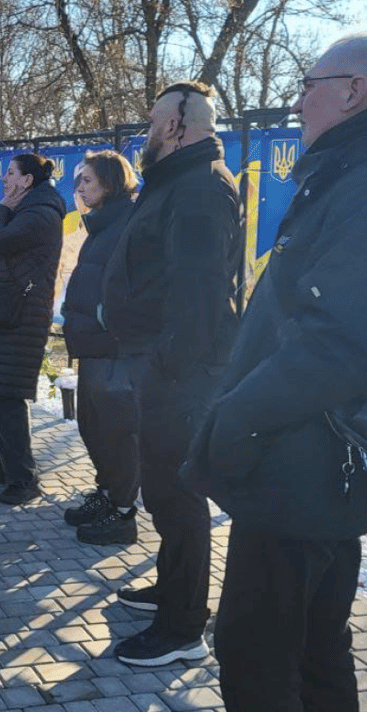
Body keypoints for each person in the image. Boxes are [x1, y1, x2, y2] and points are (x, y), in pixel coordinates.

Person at [186, 34, 367, 710]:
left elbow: (342, 342)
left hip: (300, 471)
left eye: (310, 82)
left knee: (257, 653)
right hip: (311, 472)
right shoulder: (356, 180)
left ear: (355, 91)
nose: (298, 99)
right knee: (316, 652)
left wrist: (236, 416)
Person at [98, 81, 242, 666]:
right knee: (162, 492)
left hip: (178, 377)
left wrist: (161, 368)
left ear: (180, 126)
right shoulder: (174, 181)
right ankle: (171, 590)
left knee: (177, 497)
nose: (145, 130)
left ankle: (182, 627)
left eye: (154, 120)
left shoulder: (201, 189)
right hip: (157, 368)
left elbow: (200, 298)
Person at [0, 153, 65, 506]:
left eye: (10, 174)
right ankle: (8, 465)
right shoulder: (30, 210)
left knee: (8, 395)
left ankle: (24, 479)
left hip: (19, 317)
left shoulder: (40, 214)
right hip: (9, 312)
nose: (5, 180)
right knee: (1, 393)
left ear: (27, 181)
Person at [59, 151, 139, 545]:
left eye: (87, 181)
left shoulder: (127, 222)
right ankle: (107, 495)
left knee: (115, 430)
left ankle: (124, 512)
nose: (80, 189)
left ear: (109, 182)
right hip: (92, 341)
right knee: (93, 426)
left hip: (112, 346)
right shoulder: (102, 224)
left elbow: (131, 283)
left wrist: (107, 319)